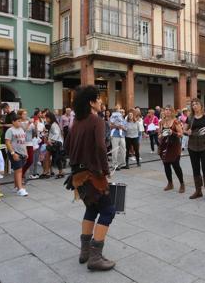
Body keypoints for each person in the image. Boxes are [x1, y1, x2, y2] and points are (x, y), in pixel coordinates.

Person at [65, 85, 116, 271]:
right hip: (93, 173)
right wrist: (105, 170)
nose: (101, 101)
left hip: (78, 175)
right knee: (109, 210)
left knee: (92, 209)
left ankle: (85, 251)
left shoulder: (76, 122)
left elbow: (67, 146)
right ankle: (95, 257)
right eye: (99, 98)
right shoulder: (96, 120)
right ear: (91, 102)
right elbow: (102, 148)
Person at [185, 98, 205, 202]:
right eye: (193, 104)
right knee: (195, 169)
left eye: (196, 104)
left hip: (204, 146)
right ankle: (198, 191)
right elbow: (184, 130)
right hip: (192, 146)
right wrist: (187, 132)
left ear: (201, 105)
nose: (194, 106)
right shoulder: (190, 118)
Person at [159, 105, 185, 192]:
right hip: (164, 146)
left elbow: (181, 134)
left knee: (176, 165)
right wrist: (160, 135)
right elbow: (159, 134)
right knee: (166, 165)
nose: (167, 111)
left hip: (174, 146)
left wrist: (172, 132)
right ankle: (170, 183)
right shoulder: (162, 122)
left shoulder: (176, 122)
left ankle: (182, 184)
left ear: (172, 112)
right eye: (165, 110)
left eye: (169, 110)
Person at [5, 117, 29, 196]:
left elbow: (23, 142)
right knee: (19, 170)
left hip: (22, 153)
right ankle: (20, 189)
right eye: (18, 121)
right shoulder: (10, 130)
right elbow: (7, 143)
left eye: (20, 121)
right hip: (15, 153)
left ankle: (16, 186)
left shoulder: (21, 129)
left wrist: (26, 152)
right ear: (13, 122)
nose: (20, 122)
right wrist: (13, 153)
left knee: (17, 170)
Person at [45, 111, 65, 179]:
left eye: (47, 118)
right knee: (50, 157)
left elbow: (56, 134)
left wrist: (50, 140)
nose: (46, 119)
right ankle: (49, 172)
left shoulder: (54, 125)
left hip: (55, 143)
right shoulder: (53, 124)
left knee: (53, 157)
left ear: (51, 118)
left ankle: (50, 172)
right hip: (55, 143)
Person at [19, 109, 35, 182]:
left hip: (29, 143)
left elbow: (34, 132)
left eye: (26, 114)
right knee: (23, 160)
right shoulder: (19, 122)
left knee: (30, 160)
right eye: (24, 114)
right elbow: (23, 131)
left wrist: (35, 125)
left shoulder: (30, 122)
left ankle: (21, 173)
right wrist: (29, 123)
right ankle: (21, 176)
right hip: (22, 143)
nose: (26, 115)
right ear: (20, 115)